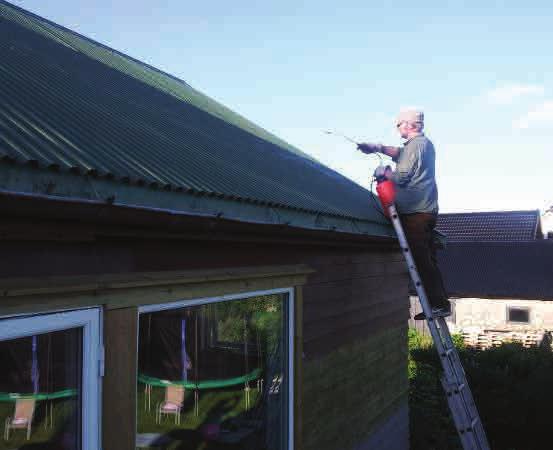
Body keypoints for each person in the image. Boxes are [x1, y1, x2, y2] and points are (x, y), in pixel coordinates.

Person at [357, 109, 450, 319]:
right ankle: (437, 303)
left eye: (399, 124)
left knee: (421, 260)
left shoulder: (418, 144)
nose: (397, 128)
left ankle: (438, 305)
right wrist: (377, 148)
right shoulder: (419, 145)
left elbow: (402, 175)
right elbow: (400, 154)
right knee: (427, 259)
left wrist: (384, 174)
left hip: (417, 212)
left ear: (409, 125)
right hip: (423, 209)